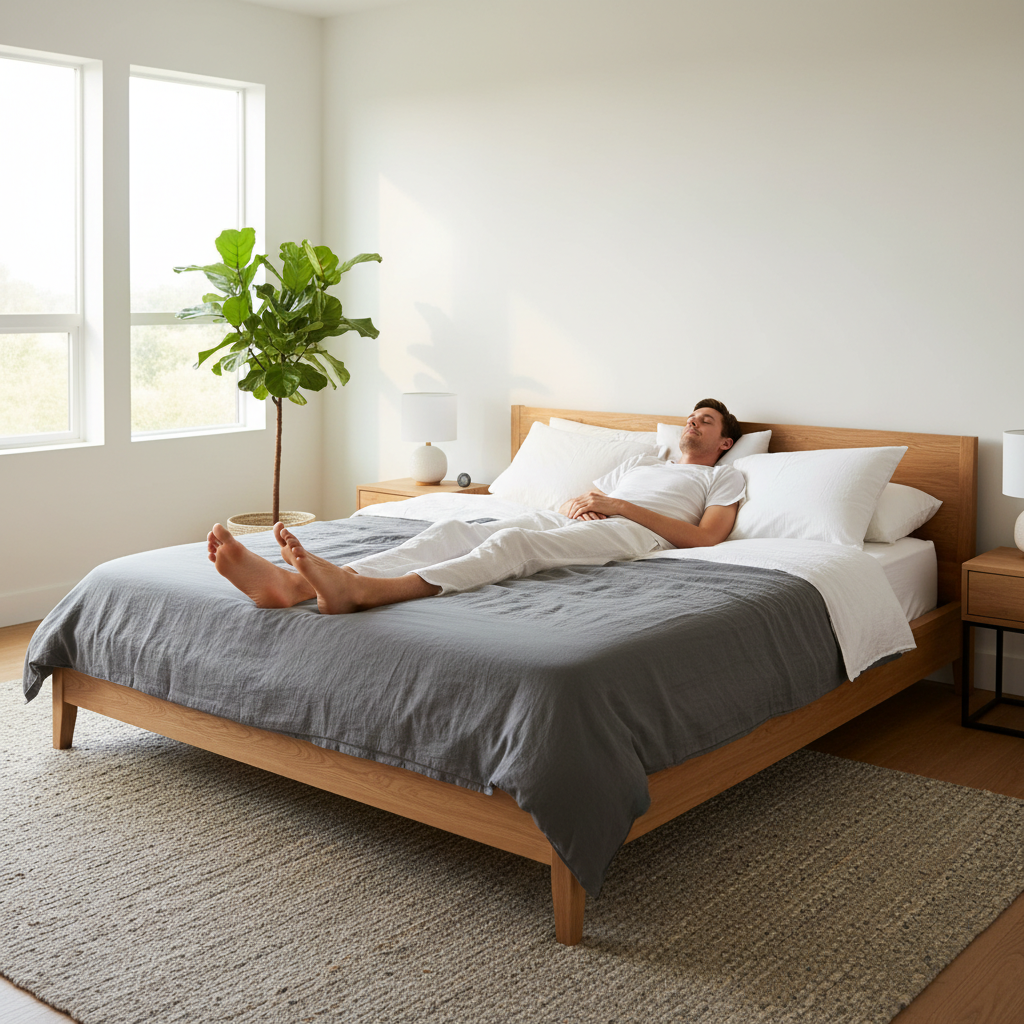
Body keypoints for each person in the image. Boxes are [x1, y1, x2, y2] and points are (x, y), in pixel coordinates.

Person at [207, 399, 746, 615]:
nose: (691, 424)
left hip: (637, 537)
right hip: (577, 521)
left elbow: (705, 539)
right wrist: (585, 505)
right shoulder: (642, 462)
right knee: (460, 527)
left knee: (511, 544)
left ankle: (369, 590)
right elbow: (580, 498)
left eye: (705, 422)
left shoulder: (725, 477)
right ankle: (299, 586)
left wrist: (620, 506)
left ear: (724, 442)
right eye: (691, 418)